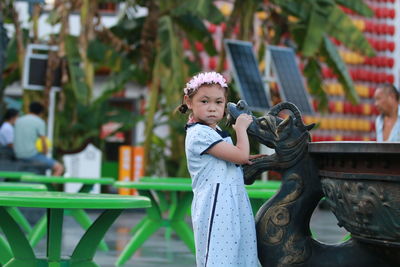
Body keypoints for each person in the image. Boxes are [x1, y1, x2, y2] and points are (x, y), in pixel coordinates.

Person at [178, 72, 259, 267]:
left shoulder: (213, 131)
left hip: (233, 199)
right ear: (189, 101)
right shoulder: (199, 134)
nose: (212, 108)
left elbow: (234, 158)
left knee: (241, 255)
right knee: (220, 257)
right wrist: (240, 129)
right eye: (204, 101)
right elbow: (239, 155)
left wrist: (248, 158)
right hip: (216, 203)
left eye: (218, 102)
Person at [14, 102, 64, 175]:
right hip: (31, 155)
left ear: (29, 109)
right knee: (59, 168)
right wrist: (45, 153)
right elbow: (43, 141)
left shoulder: (18, 121)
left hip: (17, 154)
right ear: (41, 112)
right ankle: (50, 186)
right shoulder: (39, 122)